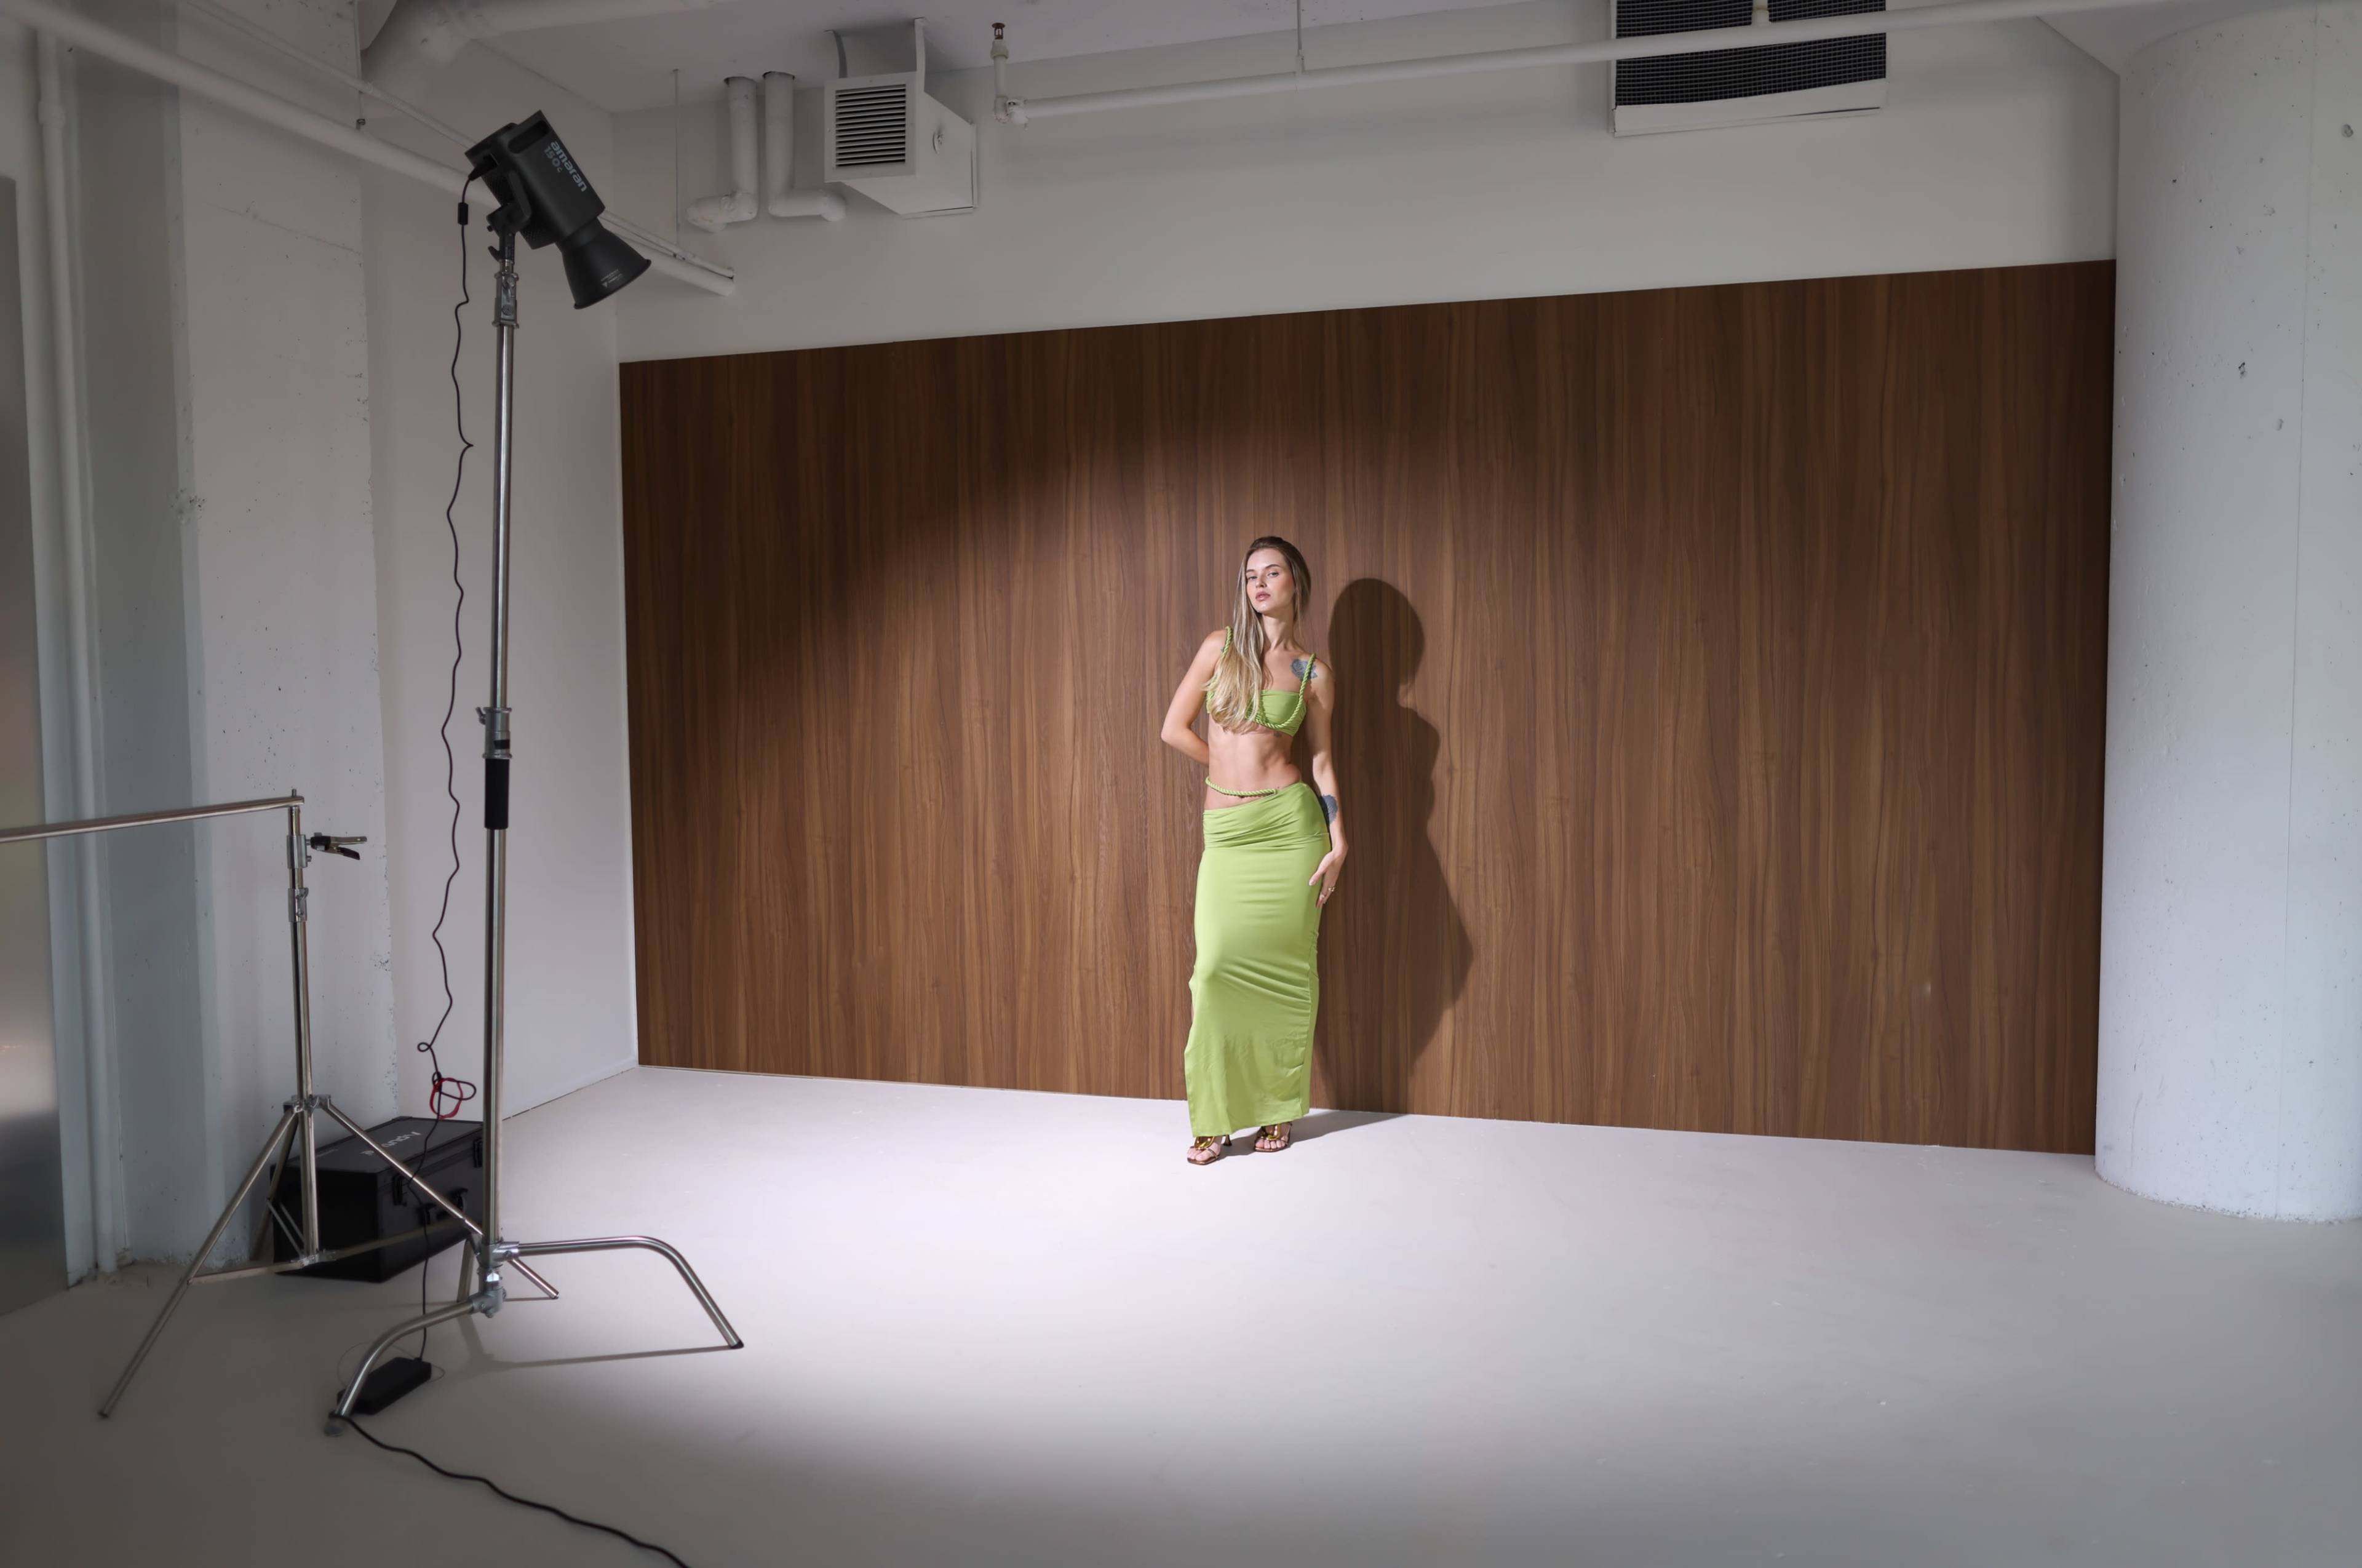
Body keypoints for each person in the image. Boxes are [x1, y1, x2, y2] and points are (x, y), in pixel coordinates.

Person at [1158, 536, 1345, 1165]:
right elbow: (1172, 728)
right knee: (1213, 968)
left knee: (1289, 971)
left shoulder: (1313, 674)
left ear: (1297, 582)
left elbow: (1320, 760)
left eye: (1272, 572)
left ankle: (1277, 1108)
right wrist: (1232, 772)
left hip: (1292, 831)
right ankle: (1212, 1116)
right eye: (1249, 575)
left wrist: (1338, 837)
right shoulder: (1221, 648)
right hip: (1230, 836)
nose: (1259, 583)